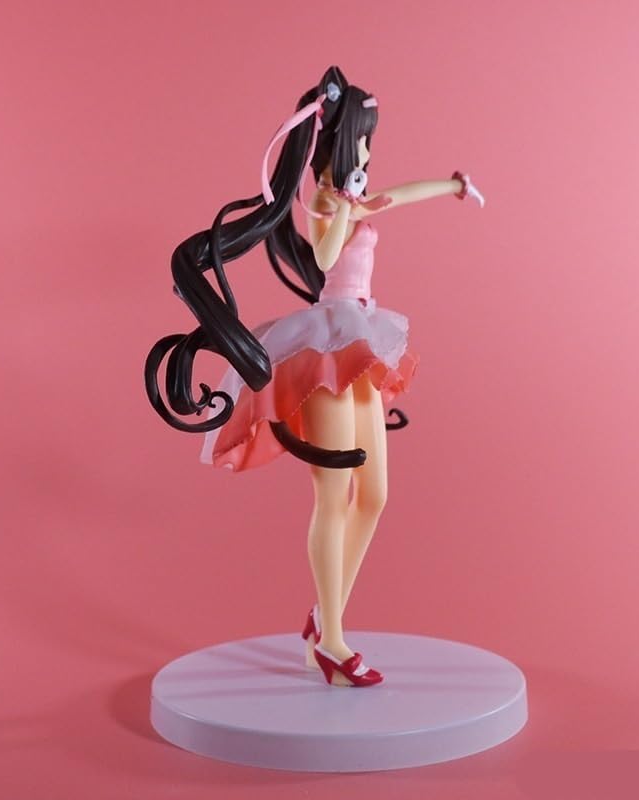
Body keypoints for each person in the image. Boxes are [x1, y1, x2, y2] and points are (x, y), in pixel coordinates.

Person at [145, 65, 484, 687]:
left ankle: (323, 618)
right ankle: (330, 641)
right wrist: (343, 210)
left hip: (363, 337)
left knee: (374, 496)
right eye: (361, 141)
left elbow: (401, 195)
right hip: (326, 342)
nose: (366, 155)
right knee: (334, 495)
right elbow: (322, 258)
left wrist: (454, 186)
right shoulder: (324, 200)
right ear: (336, 142)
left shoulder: (356, 193)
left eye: (370, 143)